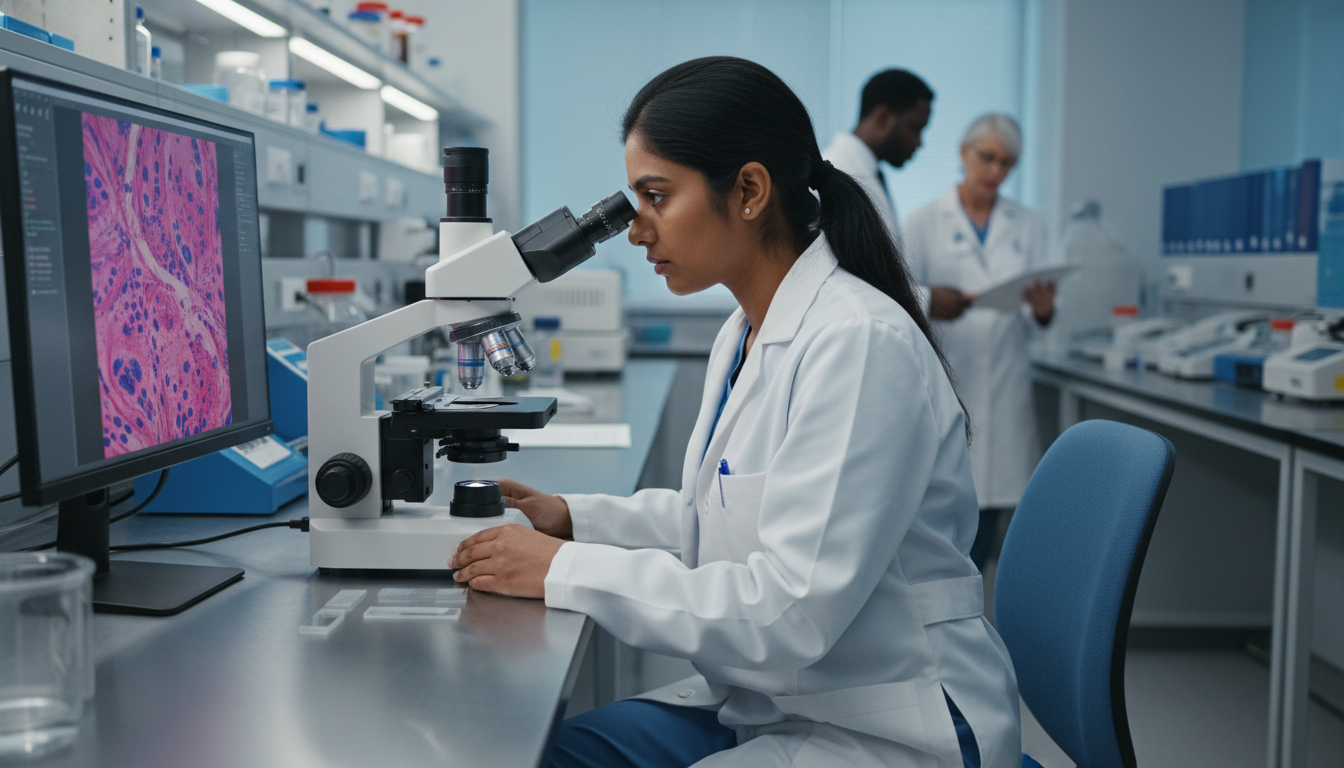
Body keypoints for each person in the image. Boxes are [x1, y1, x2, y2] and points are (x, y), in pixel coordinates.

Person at [450, 57, 1020, 768]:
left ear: (749, 190)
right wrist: (574, 519)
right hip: (780, 698)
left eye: (656, 196)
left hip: (890, 723)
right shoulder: (747, 329)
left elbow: (789, 611)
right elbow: (713, 517)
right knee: (551, 752)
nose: (636, 231)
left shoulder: (858, 344)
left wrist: (563, 569)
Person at [903, 114, 1057, 571]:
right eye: (986, 157)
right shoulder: (925, 221)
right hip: (950, 379)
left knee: (992, 528)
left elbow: (1040, 312)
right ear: (963, 153)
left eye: (1007, 163)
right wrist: (934, 301)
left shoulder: (1027, 224)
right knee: (944, 517)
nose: (995, 171)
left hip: (1006, 382)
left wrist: (1044, 309)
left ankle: (979, 620)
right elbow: (901, 298)